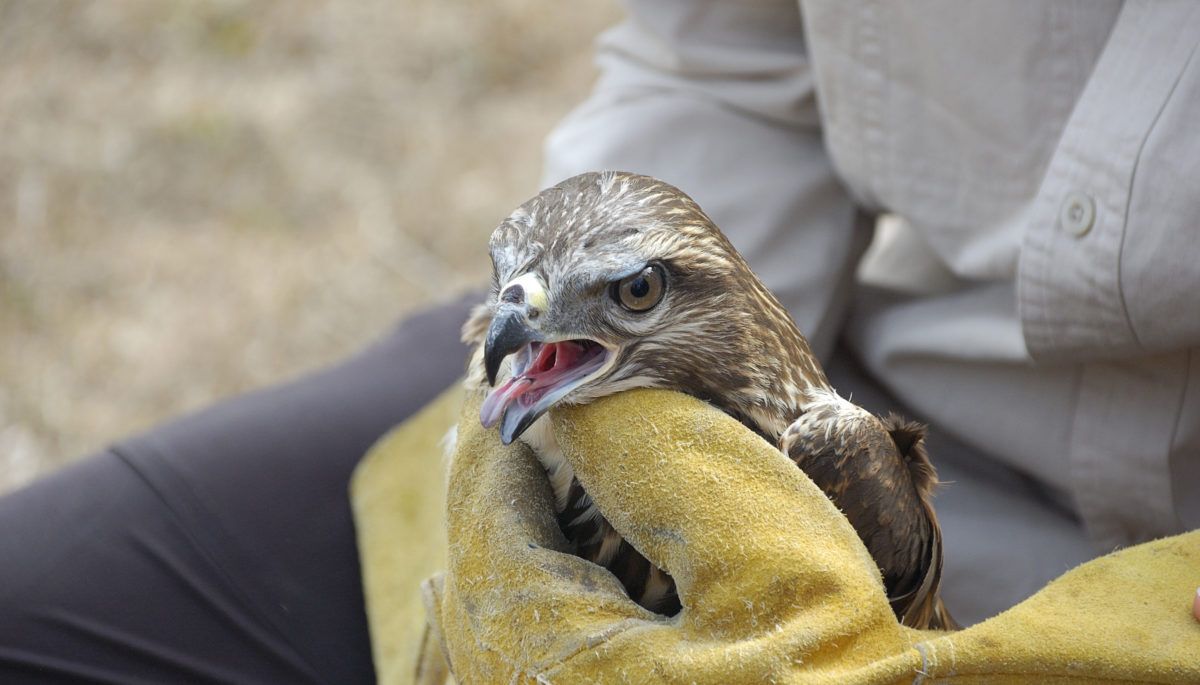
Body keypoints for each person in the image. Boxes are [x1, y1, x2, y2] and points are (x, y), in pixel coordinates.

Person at [2, 2, 1198, 682]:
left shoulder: (843, 465)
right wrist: (559, 345)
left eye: (619, 294)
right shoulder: (565, 346)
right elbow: (720, 65)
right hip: (749, 340)